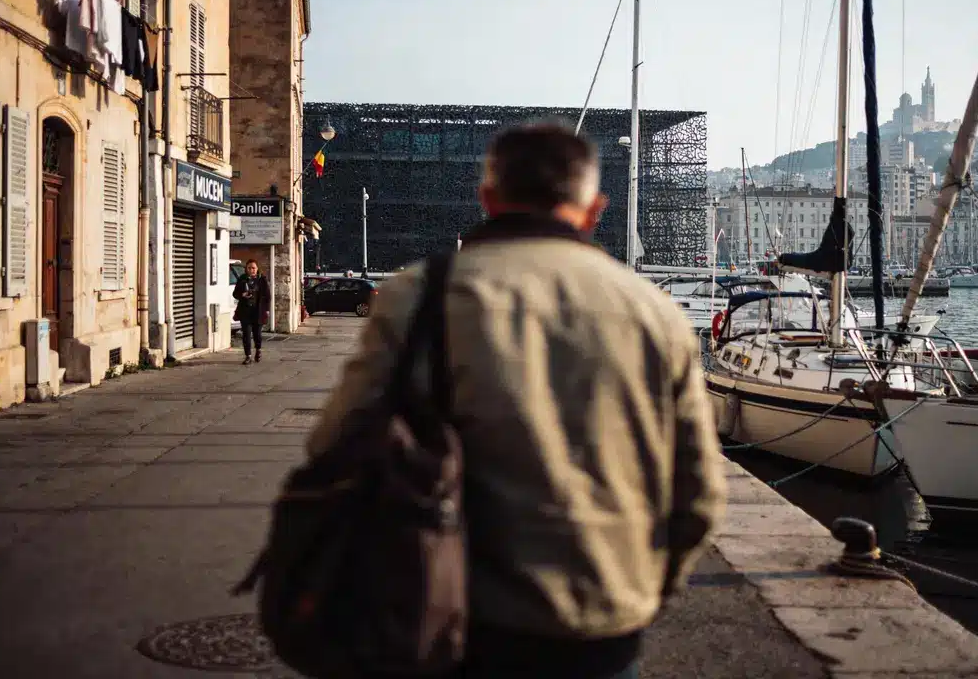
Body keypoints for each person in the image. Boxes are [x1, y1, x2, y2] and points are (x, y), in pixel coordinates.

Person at [307, 121, 726, 679]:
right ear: (595, 208)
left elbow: (333, 444)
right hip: (604, 610)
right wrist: (647, 585)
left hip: (451, 604)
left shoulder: (418, 297)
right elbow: (699, 490)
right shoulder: (656, 313)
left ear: (488, 198)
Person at [233, 259, 270, 365]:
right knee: (246, 334)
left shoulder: (262, 280)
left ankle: (258, 350)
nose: (251, 270)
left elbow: (267, 296)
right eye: (249, 268)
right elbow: (235, 294)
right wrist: (242, 295)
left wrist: (266, 310)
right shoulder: (242, 279)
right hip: (245, 311)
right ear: (246, 269)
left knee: (257, 334)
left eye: (253, 268)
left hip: (258, 311)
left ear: (257, 269)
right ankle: (248, 356)